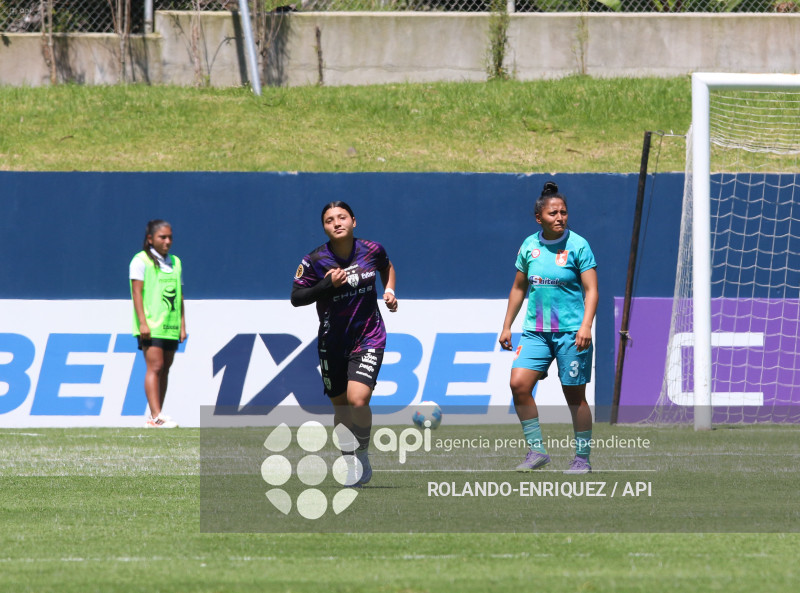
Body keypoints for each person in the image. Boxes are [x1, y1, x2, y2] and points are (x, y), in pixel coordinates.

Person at [291, 201, 398, 487]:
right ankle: (348, 457)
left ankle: (362, 454)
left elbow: (387, 267)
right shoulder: (314, 260)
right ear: (324, 227)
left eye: (342, 217)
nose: (336, 223)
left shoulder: (372, 250)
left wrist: (389, 290)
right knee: (341, 410)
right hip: (332, 343)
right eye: (329, 220)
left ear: (353, 221)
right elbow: (296, 298)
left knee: (357, 400)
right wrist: (327, 285)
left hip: (368, 336)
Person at [499, 182, 598, 474]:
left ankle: (582, 459)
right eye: (553, 213)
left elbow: (591, 290)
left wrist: (586, 326)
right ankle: (536, 451)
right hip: (535, 332)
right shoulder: (529, 246)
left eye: (564, 212)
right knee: (518, 384)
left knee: (574, 396)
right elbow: (519, 288)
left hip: (572, 333)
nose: (560, 217)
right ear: (539, 218)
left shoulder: (579, 245)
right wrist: (507, 326)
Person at [129, 219, 186, 429]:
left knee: (165, 369)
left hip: (170, 326)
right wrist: (142, 323)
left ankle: (158, 415)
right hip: (151, 325)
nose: (168, 241)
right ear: (150, 239)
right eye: (163, 237)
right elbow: (136, 293)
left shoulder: (175, 262)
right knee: (155, 366)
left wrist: (182, 324)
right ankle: (155, 415)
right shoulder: (140, 261)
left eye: (170, 237)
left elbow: (180, 296)